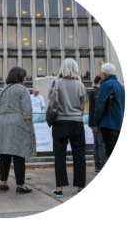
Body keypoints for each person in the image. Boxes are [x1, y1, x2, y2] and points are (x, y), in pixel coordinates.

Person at [47, 58, 87, 198]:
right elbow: (83, 106)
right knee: (79, 154)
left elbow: (51, 102)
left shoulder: (56, 83)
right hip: (76, 122)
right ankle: (81, 187)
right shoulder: (80, 84)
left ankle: (59, 188)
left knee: (59, 155)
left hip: (60, 123)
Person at [0, 67, 36, 194]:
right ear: (20, 77)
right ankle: (20, 185)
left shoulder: (3, 90)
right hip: (18, 122)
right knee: (19, 153)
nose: (26, 78)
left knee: (4, 153)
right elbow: (27, 110)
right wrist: (29, 127)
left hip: (3, 122)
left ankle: (3, 183)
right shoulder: (22, 89)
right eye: (25, 76)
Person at [95, 63, 126, 160]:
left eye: (100, 73)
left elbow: (100, 105)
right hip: (119, 125)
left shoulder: (106, 85)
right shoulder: (121, 87)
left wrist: (97, 123)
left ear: (104, 74)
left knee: (110, 152)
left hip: (108, 124)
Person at [89, 75, 108, 174]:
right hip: (97, 122)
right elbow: (98, 108)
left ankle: (97, 166)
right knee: (101, 144)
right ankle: (103, 165)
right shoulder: (97, 92)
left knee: (96, 144)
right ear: (100, 81)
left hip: (93, 121)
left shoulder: (92, 91)